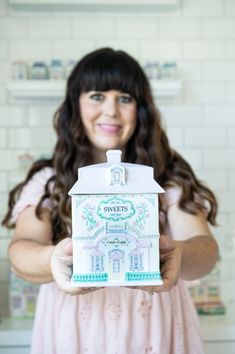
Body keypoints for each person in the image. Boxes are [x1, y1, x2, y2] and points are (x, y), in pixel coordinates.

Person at [2, 47, 219, 354]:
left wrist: (178, 253)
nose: (111, 110)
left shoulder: (166, 174)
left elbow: (206, 251)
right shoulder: (51, 179)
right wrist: (54, 259)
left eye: (125, 98)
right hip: (74, 335)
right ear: (75, 104)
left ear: (141, 110)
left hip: (155, 332)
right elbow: (20, 251)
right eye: (97, 95)